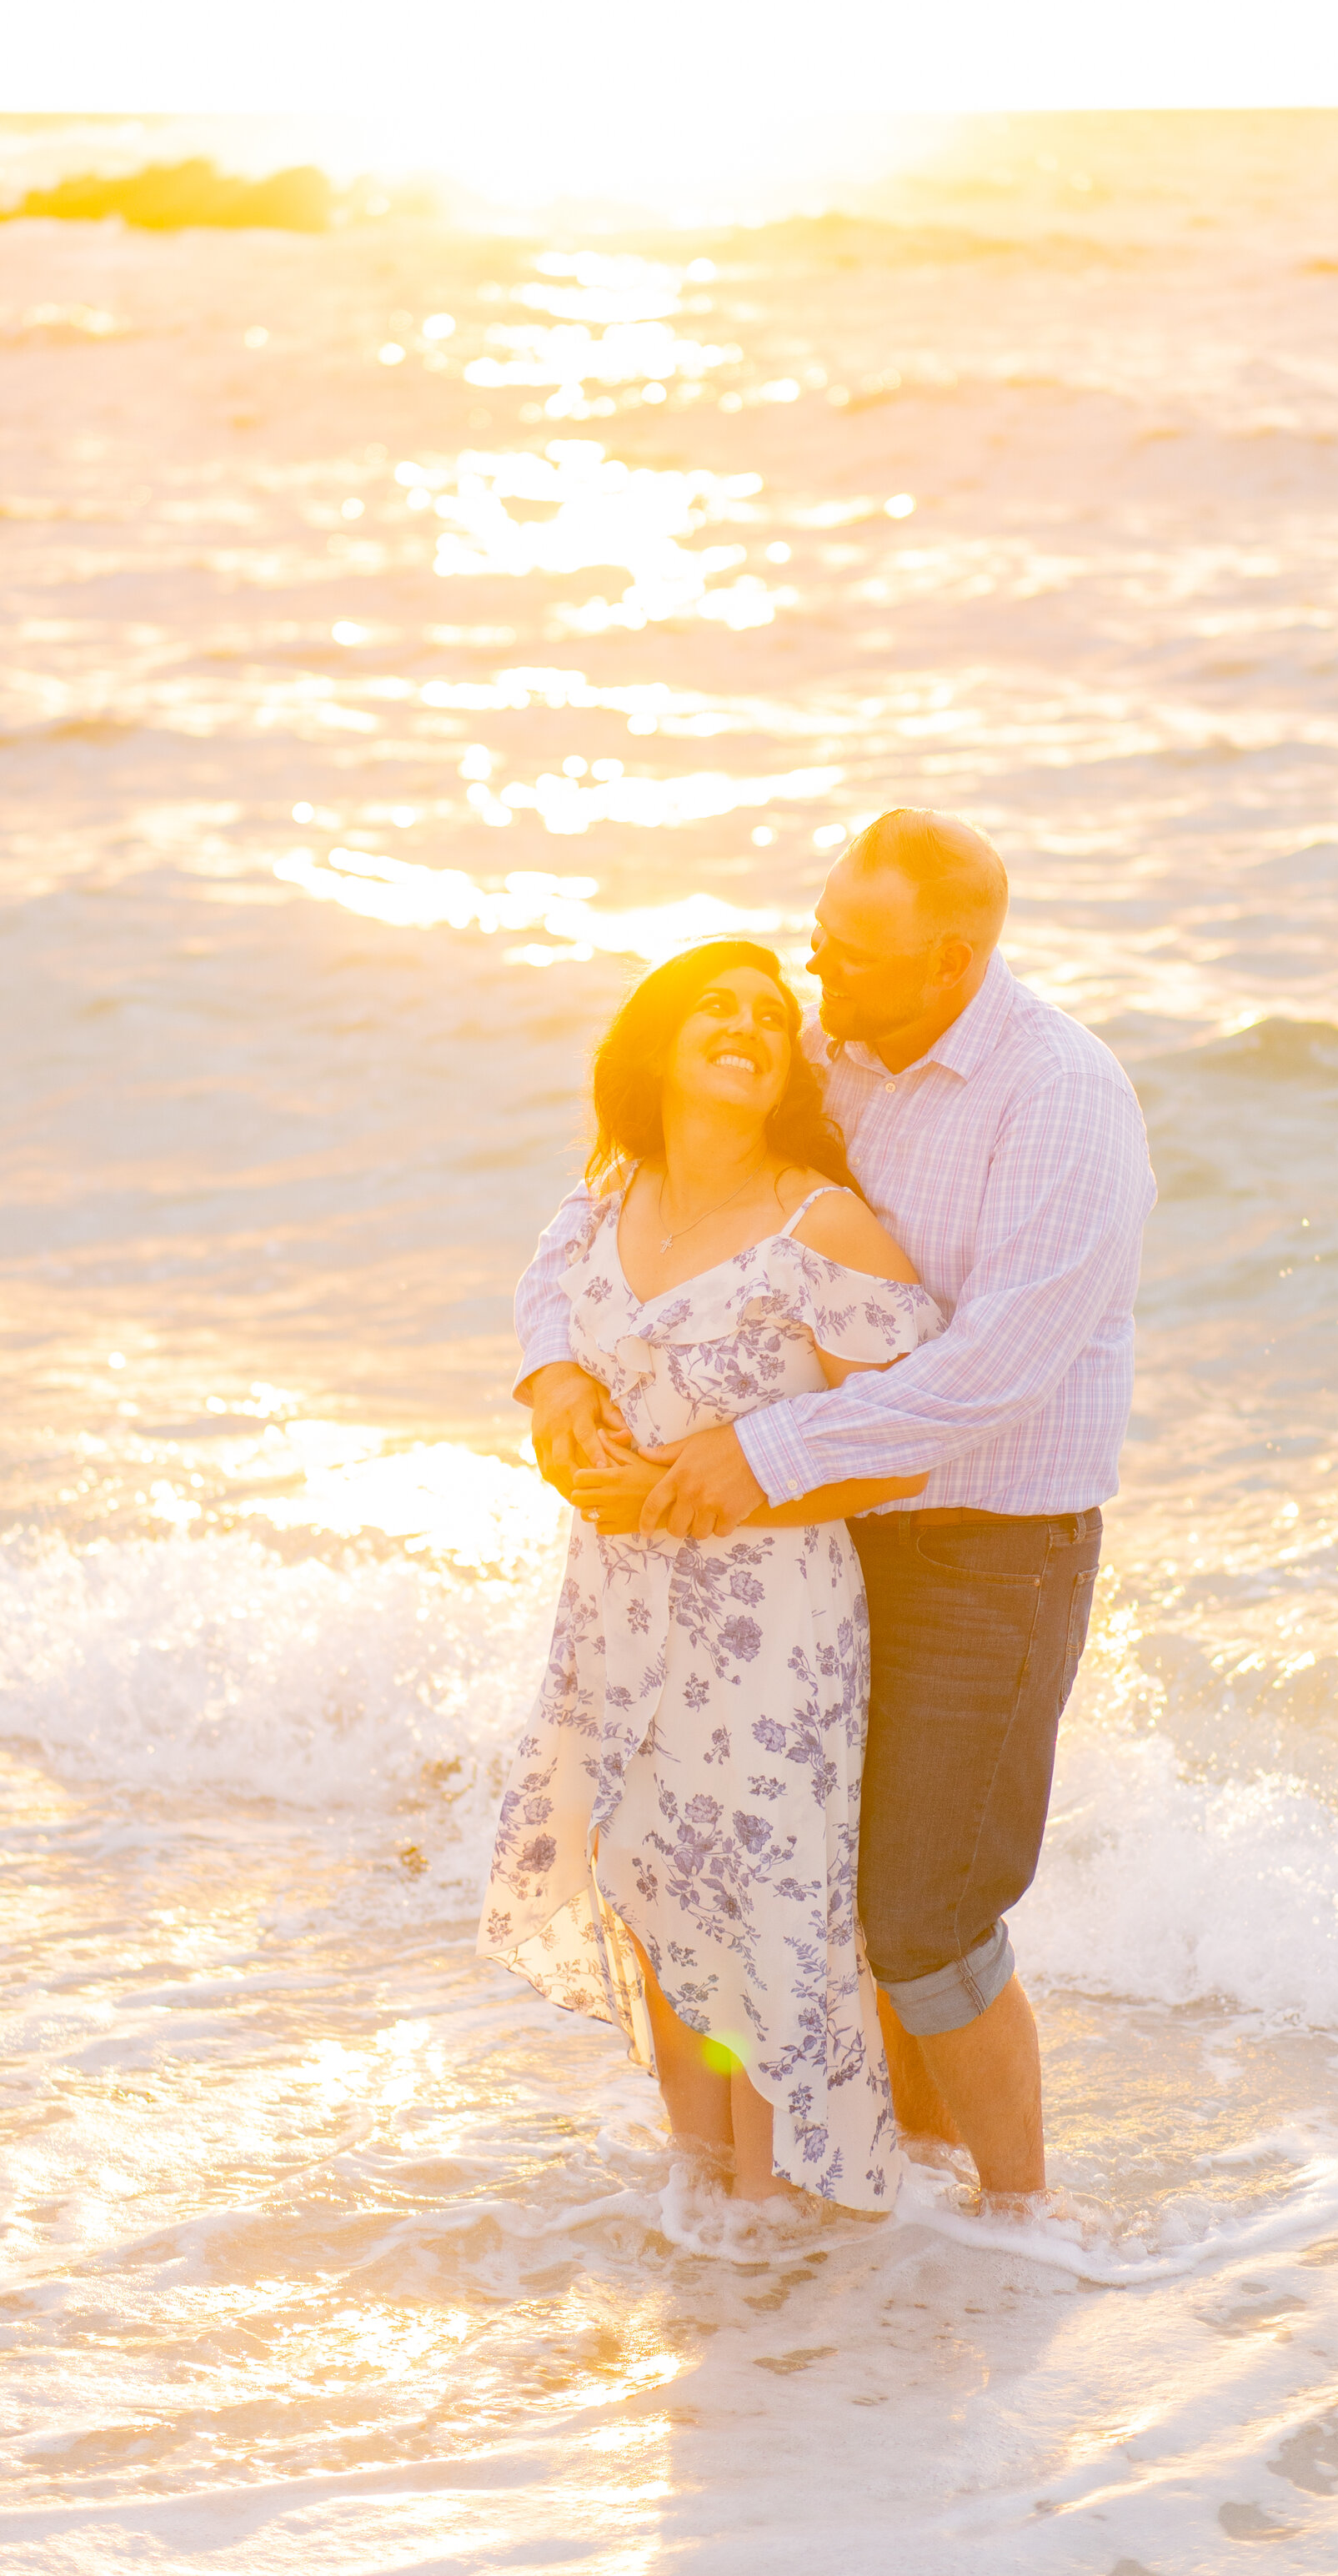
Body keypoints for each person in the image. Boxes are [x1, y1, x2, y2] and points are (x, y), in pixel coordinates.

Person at [527, 811, 1155, 2204]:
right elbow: (611, 1200)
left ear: (950, 961)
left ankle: (1021, 2216)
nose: (815, 977)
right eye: (814, 939)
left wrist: (765, 1447)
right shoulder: (837, 1055)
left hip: (991, 1547)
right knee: (812, 1892)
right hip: (825, 1545)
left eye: (846, 955)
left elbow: (992, 1369)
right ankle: (908, 2178)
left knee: (926, 1916)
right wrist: (554, 1374)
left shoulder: (1060, 1097)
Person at [479, 940, 945, 2210]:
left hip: (770, 1621)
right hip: (613, 1608)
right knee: (646, 1875)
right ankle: (708, 2208)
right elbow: (546, 1296)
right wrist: (556, 1385)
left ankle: (790, 2208)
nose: (747, 1022)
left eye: (768, 1012)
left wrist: (732, 1475)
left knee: (767, 1908)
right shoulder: (611, 1193)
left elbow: (911, 1443)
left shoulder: (822, 1223)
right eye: (715, 1006)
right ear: (658, 1044)